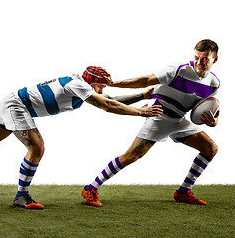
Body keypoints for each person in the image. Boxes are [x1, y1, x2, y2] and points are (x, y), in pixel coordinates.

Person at [0, 66, 163, 209]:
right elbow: (108, 106)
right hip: (17, 106)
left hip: (13, 102)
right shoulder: (79, 86)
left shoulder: (82, 85)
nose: (101, 90)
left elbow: (111, 100)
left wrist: (141, 94)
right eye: (100, 86)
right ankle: (21, 197)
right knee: (37, 148)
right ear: (92, 83)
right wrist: (142, 111)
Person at [82, 39, 220, 206]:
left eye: (204, 59)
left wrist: (213, 121)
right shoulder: (178, 70)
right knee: (131, 156)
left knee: (210, 148)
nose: (199, 62)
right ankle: (91, 188)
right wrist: (113, 83)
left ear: (215, 59)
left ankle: (183, 192)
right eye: (196, 57)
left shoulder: (213, 84)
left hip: (179, 120)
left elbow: (206, 109)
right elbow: (146, 80)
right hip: (159, 116)